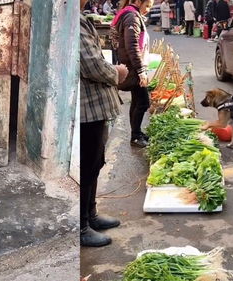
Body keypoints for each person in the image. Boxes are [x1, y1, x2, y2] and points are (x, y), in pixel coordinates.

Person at [80, 0, 129, 247]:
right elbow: (92, 65)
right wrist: (117, 72)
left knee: (95, 163)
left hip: (95, 109)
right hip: (86, 111)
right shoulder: (74, 24)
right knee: (87, 167)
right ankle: (80, 228)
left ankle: (91, 215)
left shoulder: (81, 19)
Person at [112, 0, 154, 148]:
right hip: (133, 67)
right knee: (143, 102)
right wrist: (141, 71)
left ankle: (136, 132)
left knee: (137, 100)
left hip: (132, 65)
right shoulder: (132, 17)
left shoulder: (131, 14)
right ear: (137, 1)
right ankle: (135, 136)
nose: (148, 9)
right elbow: (132, 46)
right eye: (147, 5)